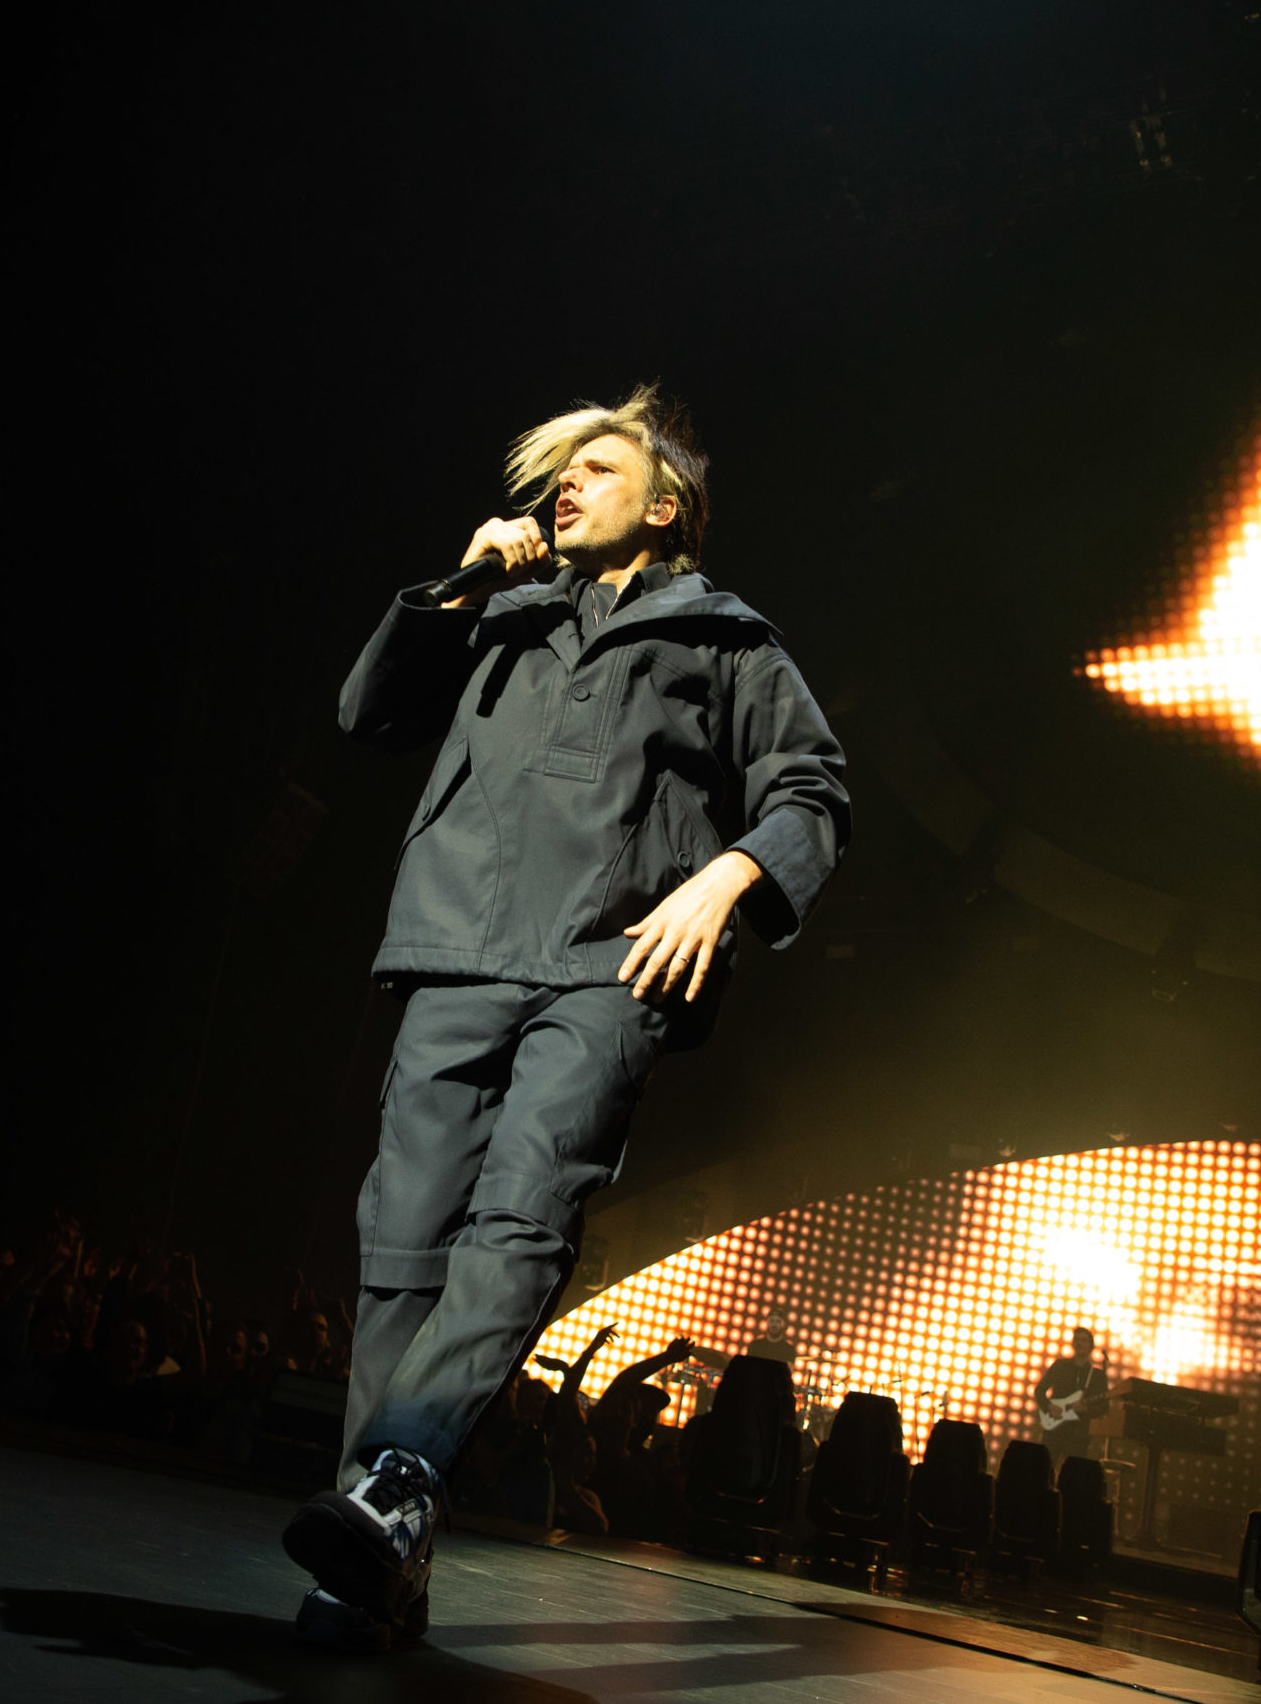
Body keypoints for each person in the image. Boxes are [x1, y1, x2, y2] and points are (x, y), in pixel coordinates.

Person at [282, 388, 851, 1651]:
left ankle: (399, 1474)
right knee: (401, 1243)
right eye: (558, 471)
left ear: (666, 508)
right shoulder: (501, 610)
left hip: (610, 963)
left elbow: (811, 792)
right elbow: (369, 716)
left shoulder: (724, 638)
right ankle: (379, 1546)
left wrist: (729, 875)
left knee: (522, 1212)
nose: (565, 484)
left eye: (596, 466)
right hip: (456, 947)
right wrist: (458, 586)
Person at [1034, 1326, 1111, 1473]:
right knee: (1044, 1471)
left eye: (1083, 1340)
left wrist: (1086, 1409)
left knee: (1073, 1474)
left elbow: (1104, 1408)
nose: (1079, 1343)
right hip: (1054, 1431)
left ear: (1091, 1346)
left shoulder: (1097, 1376)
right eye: (1077, 1340)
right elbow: (1039, 1391)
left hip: (1078, 1434)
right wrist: (1049, 1406)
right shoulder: (1060, 1366)